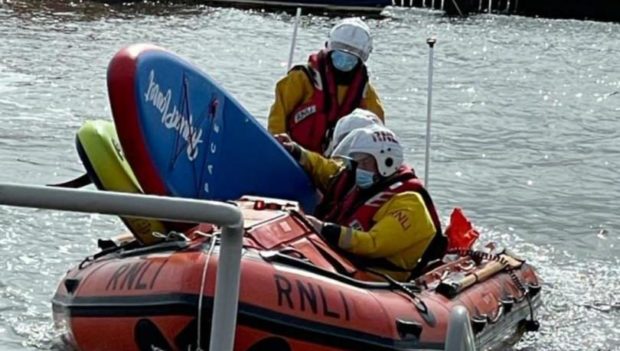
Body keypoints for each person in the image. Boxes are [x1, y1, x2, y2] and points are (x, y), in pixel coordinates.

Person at [277, 126, 447, 281]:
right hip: (343, 264)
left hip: (378, 280)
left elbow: (372, 244)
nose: (359, 169)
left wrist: (325, 229)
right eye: (357, 163)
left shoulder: (409, 204)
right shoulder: (356, 183)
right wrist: (296, 151)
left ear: (386, 162)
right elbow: (323, 168)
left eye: (364, 163)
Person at [268, 18, 385, 154]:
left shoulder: (365, 94)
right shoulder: (301, 79)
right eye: (338, 56)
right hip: (294, 156)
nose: (344, 62)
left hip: (336, 167)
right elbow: (277, 119)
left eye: (351, 59)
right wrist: (278, 149)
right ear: (328, 49)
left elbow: (377, 133)